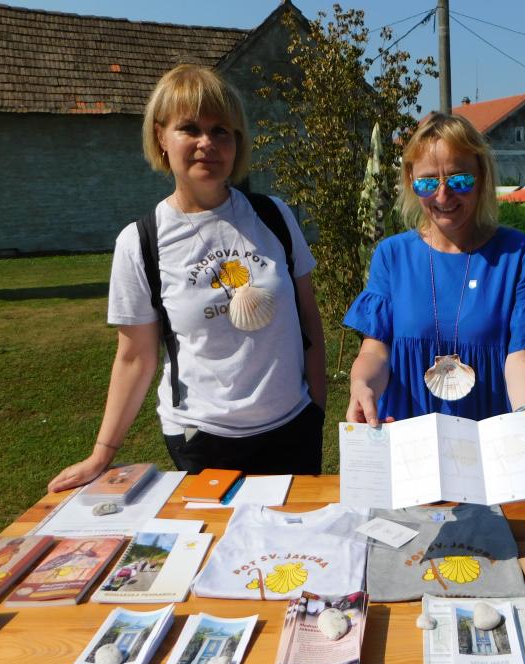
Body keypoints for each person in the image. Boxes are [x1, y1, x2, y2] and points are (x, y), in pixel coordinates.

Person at [48, 64, 325, 493]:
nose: (206, 143)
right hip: (204, 439)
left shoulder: (274, 215)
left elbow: (309, 318)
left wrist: (317, 408)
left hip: (292, 428)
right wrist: (102, 453)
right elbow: (134, 358)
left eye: (221, 131)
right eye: (190, 128)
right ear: (161, 136)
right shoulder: (141, 242)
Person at [343, 113, 525, 471]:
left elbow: (523, 354)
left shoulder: (518, 254)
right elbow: (375, 349)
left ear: (482, 177)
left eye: (459, 180)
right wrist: (362, 385)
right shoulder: (392, 255)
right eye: (427, 183)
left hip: (493, 437)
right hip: (409, 437)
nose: (443, 195)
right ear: (410, 181)